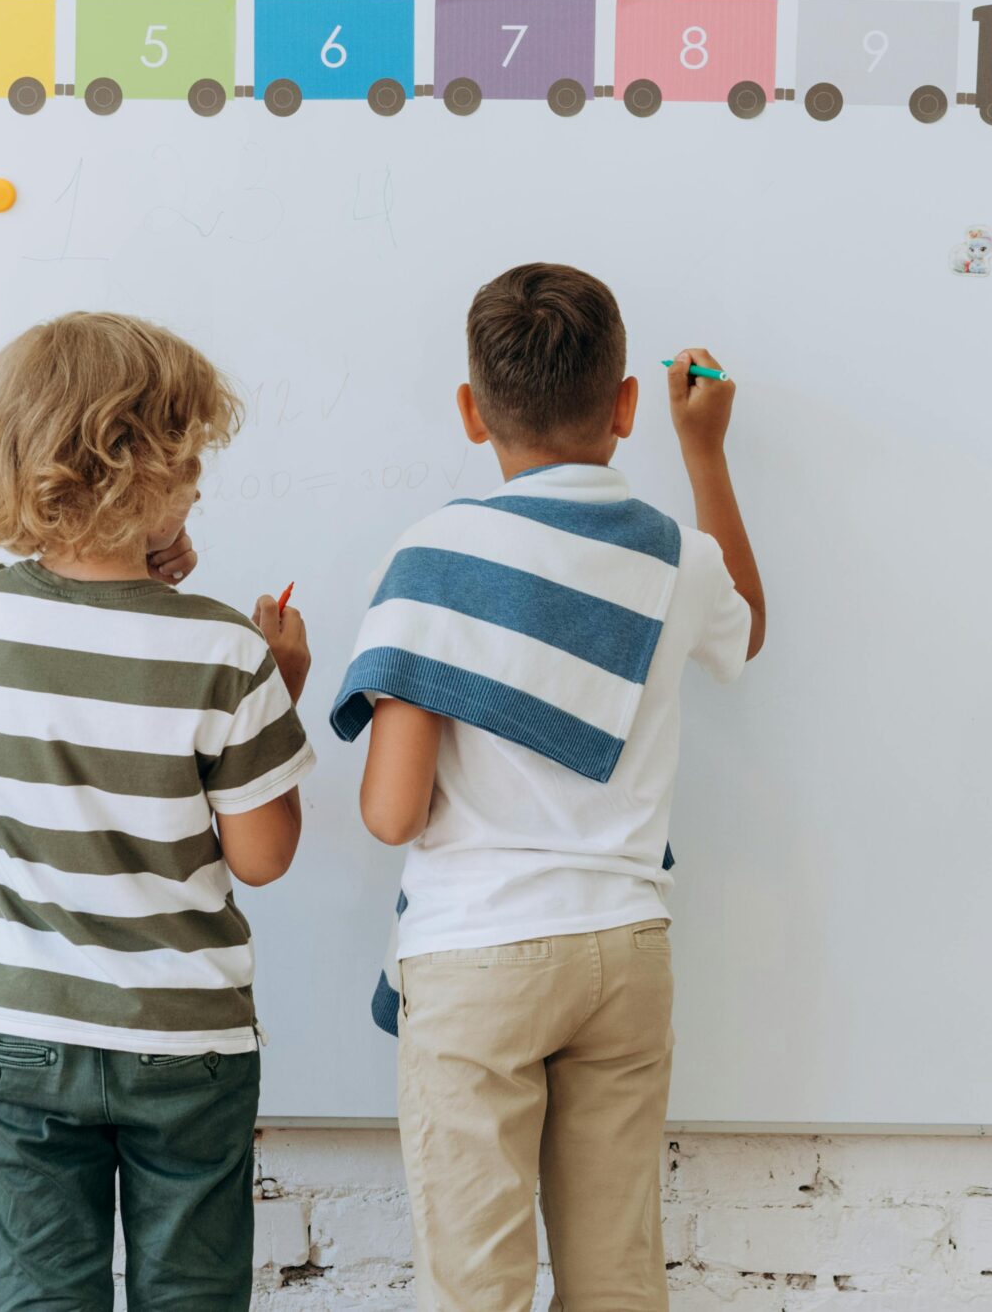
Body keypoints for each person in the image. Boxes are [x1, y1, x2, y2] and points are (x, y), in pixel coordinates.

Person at [331, 263, 766, 1312]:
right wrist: (702, 452)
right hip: (624, 951)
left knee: (476, 1288)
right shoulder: (675, 559)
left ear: (472, 414)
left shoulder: (438, 557)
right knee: (616, 1279)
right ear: (623, 405)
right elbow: (744, 626)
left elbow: (391, 811)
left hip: (477, 955)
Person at [0, 311, 312, 1312]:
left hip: (20, 1027)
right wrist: (281, 687)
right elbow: (263, 855)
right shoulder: (228, 652)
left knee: (42, 1292)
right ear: (155, 471)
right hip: (181, 1042)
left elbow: (9, 746)